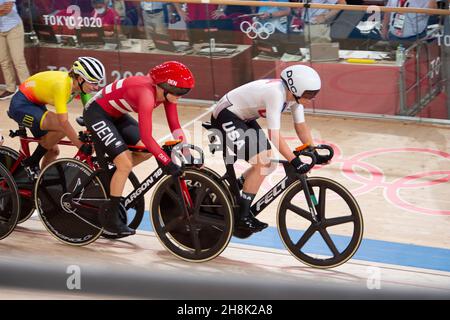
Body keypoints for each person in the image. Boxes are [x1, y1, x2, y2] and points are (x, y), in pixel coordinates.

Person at [210, 65, 328, 232]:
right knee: (262, 163)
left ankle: (234, 189)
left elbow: (301, 126)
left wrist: (314, 150)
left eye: (314, 94)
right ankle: (242, 216)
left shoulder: (295, 98)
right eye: (309, 94)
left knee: (269, 164)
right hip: (226, 115)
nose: (311, 98)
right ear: (295, 88)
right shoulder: (276, 94)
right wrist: (294, 161)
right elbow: (274, 135)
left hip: (243, 117)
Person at [83, 61, 195, 236]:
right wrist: (166, 161)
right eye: (179, 92)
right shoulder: (147, 95)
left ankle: (111, 176)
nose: (181, 96)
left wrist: (186, 152)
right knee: (126, 163)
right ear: (164, 87)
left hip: (116, 114)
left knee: (145, 152)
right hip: (97, 113)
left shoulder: (166, 93)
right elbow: (148, 137)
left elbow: (175, 125)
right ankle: (111, 218)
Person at [8, 56, 105, 177]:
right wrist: (80, 145)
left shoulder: (81, 88)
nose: (96, 87)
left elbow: (91, 111)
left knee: (53, 151)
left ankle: (41, 184)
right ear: (80, 79)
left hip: (35, 105)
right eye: (93, 82)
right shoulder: (62, 86)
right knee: (61, 127)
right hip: (21, 105)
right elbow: (63, 122)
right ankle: (31, 162)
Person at [0, 0, 30, 100]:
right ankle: (10, 89)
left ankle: (27, 90)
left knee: (18, 60)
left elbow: (7, 8)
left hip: (13, 27)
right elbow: (2, 9)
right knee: (4, 61)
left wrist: (3, 9)